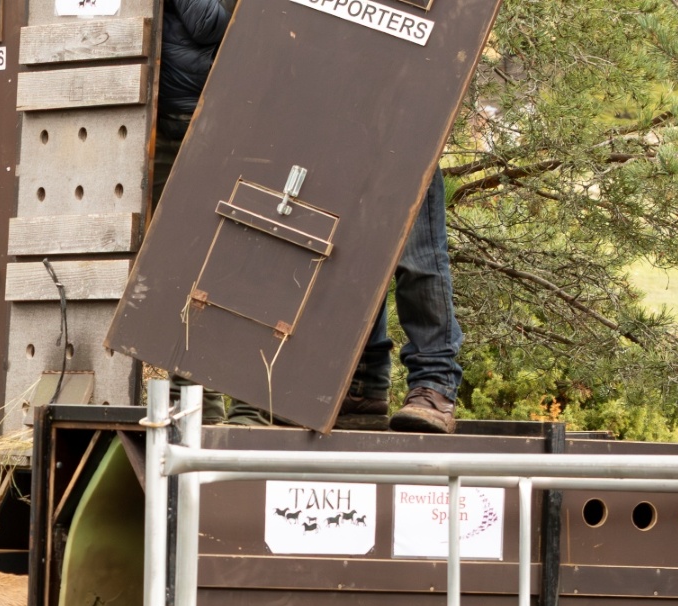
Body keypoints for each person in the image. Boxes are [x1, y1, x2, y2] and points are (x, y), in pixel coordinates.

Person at [153, 0, 464, 433]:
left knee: (419, 259)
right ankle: (364, 382)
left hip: (405, 107)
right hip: (335, 112)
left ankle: (434, 386)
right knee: (350, 251)